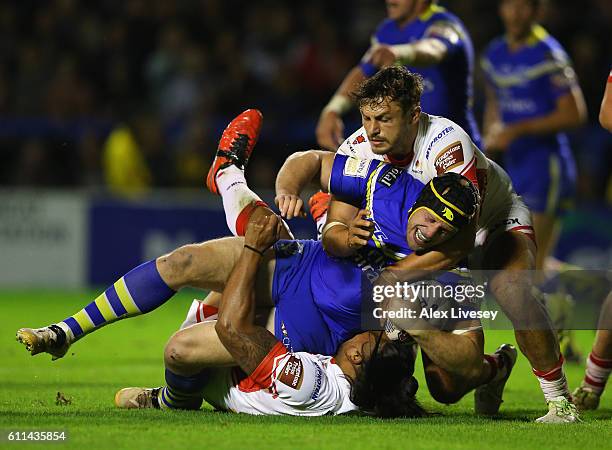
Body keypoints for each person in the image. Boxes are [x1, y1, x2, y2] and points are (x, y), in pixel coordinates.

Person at [18, 109, 513, 414]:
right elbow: (309, 163)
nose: (427, 232)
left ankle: (228, 176)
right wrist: (297, 197)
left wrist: (423, 328)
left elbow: (461, 350)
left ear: (460, 235)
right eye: (426, 219)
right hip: (301, 267)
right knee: (187, 260)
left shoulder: (448, 276)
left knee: (447, 385)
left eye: (443, 231)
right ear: (420, 196)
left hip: (308, 333)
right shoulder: (389, 186)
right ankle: (64, 333)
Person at [276, 66, 579, 422]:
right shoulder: (359, 149)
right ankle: (496, 369)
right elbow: (319, 187)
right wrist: (330, 226)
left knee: (511, 287)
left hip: (488, 224)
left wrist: (396, 276)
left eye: (384, 118)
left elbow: (462, 239)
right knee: (446, 387)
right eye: (367, 117)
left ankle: (560, 401)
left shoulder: (445, 145)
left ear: (414, 115)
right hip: (421, 248)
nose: (372, 129)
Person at [115, 213, 424, 417]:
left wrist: (253, 248)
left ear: (357, 356)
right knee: (275, 267)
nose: (362, 331)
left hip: (223, 376)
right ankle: (230, 175)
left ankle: (173, 399)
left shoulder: (309, 383)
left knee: (178, 349)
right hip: (264, 350)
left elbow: (231, 329)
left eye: (369, 336)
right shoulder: (366, 387)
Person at [481, 0, 587, 276]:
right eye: (509, 6)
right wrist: (490, 136)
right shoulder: (494, 53)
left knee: (529, 267)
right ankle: (583, 283)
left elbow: (575, 114)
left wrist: (517, 130)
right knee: (524, 263)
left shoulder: (549, 54)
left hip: (545, 166)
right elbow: (495, 103)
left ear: (537, 11)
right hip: (513, 166)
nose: (515, 14)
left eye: (523, 7)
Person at [315, 0, 480, 151]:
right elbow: (363, 71)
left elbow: (435, 49)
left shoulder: (445, 24)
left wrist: (400, 52)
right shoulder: (386, 31)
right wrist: (333, 110)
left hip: (454, 149)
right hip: (410, 153)